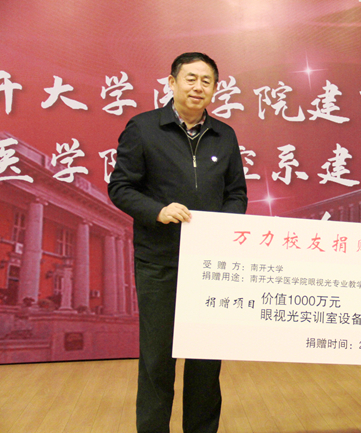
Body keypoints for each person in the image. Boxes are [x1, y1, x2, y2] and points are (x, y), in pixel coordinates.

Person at [108, 52, 247, 433]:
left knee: (206, 358)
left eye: (206, 81)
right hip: (160, 261)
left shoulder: (225, 135)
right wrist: (158, 210)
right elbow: (120, 187)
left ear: (215, 88)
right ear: (171, 82)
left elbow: (237, 193)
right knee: (157, 359)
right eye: (190, 78)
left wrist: (223, 224)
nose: (198, 87)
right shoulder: (143, 128)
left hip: (211, 266)